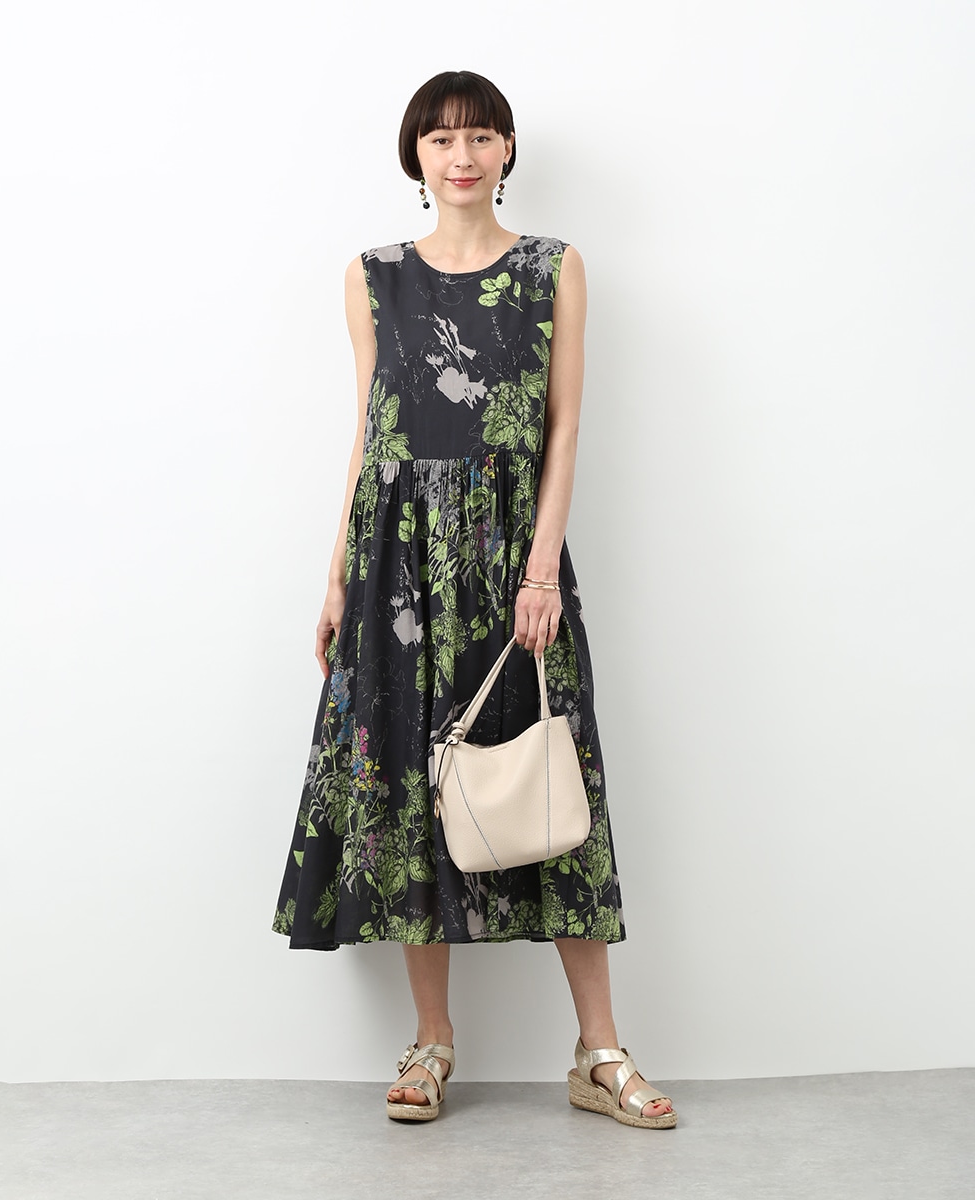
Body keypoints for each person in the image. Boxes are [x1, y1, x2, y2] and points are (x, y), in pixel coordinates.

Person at [271, 70, 676, 1130]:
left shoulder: (553, 268)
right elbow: (371, 430)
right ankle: (431, 1041)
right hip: (395, 566)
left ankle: (599, 1051)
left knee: (551, 785)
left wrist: (540, 570)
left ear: (506, 152)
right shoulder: (372, 276)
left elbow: (564, 425)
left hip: (508, 562)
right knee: (413, 785)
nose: (462, 155)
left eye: (481, 136)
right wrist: (336, 573)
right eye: (442, 138)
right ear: (416, 155)